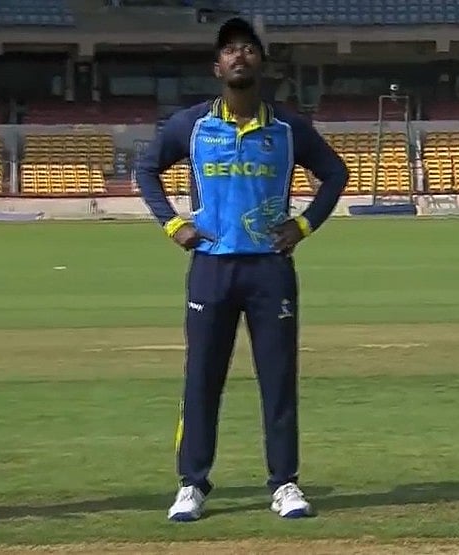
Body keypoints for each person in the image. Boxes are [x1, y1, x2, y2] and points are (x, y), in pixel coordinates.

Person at [134, 17, 349, 522]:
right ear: (216, 66)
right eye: (229, 50)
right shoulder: (191, 125)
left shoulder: (288, 128)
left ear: (261, 63)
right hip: (210, 268)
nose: (239, 57)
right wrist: (172, 225)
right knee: (202, 379)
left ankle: (285, 484)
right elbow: (146, 169)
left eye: (248, 49)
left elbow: (334, 173)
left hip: (269, 270)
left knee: (278, 379)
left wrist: (304, 225)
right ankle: (192, 484)